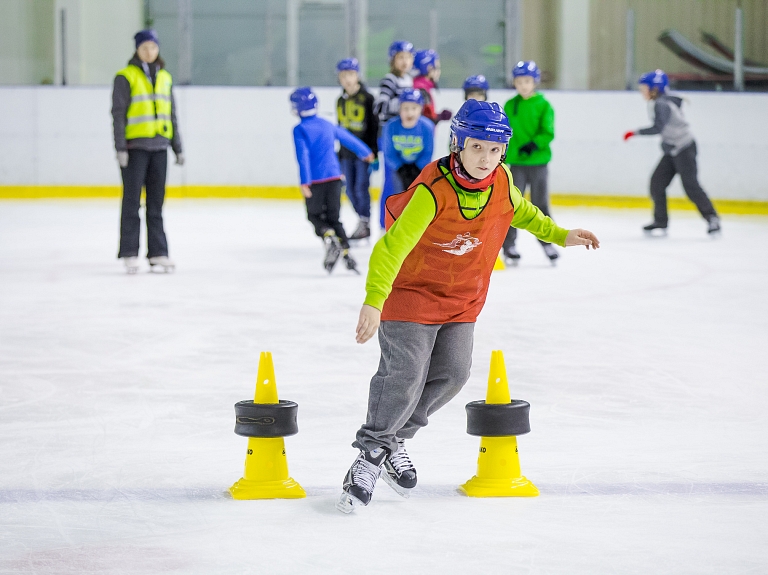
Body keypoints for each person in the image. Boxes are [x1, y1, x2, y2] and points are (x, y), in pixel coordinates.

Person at [336, 99, 600, 513]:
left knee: (454, 374)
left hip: (461, 299)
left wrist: (562, 235)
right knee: (405, 373)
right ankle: (369, 455)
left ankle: (395, 439)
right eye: (477, 147)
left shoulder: (501, 180)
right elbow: (391, 247)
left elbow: (523, 212)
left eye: (496, 150)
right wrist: (374, 300)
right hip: (411, 294)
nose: (486, 158)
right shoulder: (433, 191)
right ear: (458, 143)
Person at [112, 29, 183, 274]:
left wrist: (177, 146)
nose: (149, 52)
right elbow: (118, 114)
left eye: (153, 47)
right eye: (145, 48)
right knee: (132, 202)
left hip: (159, 148)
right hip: (135, 149)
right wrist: (120, 147)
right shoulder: (126, 76)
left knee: (156, 203)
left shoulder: (165, 76)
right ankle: (130, 252)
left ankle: (158, 253)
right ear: (137, 50)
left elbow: (171, 114)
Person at [624, 69, 720, 235]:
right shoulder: (660, 101)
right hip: (672, 150)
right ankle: (660, 221)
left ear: (655, 89)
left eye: (644, 88)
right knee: (657, 184)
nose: (642, 92)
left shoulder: (661, 104)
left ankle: (712, 218)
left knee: (691, 186)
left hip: (684, 149)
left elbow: (658, 127)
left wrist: (635, 132)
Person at [290, 87, 374, 274]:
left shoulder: (299, 130)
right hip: (335, 178)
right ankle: (346, 254)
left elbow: (302, 156)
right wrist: (365, 152)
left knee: (315, 216)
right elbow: (348, 139)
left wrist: (305, 182)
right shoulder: (327, 124)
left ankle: (329, 238)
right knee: (335, 218)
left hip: (315, 181)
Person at [502, 61, 557, 265]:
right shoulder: (510, 104)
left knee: (540, 203)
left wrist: (534, 144)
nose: (523, 85)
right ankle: (509, 245)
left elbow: (548, 131)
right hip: (515, 164)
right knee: (513, 205)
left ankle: (548, 241)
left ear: (534, 82)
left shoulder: (544, 105)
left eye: (527, 81)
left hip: (538, 162)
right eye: (519, 81)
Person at [335, 58, 379, 241]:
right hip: (345, 153)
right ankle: (362, 220)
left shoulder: (368, 99)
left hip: (364, 153)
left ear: (357, 75)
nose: (347, 79)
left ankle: (365, 222)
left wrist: (374, 152)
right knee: (350, 190)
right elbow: (339, 127)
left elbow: (374, 126)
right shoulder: (340, 100)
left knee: (361, 187)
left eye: (351, 74)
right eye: (344, 75)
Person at [374, 40, 415, 229]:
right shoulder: (390, 80)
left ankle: (398, 218)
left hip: (404, 136)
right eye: (400, 57)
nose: (405, 61)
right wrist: (404, 106)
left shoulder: (409, 80)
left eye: (408, 57)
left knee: (403, 180)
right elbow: (379, 106)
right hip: (389, 135)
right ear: (393, 60)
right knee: (391, 180)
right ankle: (385, 222)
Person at [381, 89, 434, 195]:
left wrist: (417, 168)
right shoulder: (390, 127)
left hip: (420, 169)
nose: (410, 113)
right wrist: (400, 169)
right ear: (400, 109)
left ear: (420, 109)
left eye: (414, 108)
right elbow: (388, 152)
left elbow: (428, 151)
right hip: (399, 169)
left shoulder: (427, 127)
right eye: (405, 108)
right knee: (399, 197)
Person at [412, 49, 452, 125]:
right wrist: (440, 117)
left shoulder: (418, 86)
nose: (439, 72)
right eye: (437, 68)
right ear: (429, 68)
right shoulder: (421, 89)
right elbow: (427, 119)